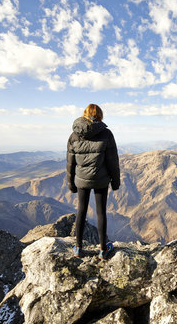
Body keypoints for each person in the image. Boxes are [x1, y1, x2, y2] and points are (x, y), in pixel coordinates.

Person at [66, 104, 120, 260]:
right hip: (101, 180)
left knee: (81, 211)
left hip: (81, 180)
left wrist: (71, 183)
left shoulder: (74, 135)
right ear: (100, 115)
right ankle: (103, 250)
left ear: (84, 114)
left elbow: (70, 163)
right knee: (100, 212)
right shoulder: (106, 134)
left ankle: (78, 248)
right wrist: (115, 182)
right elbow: (112, 161)